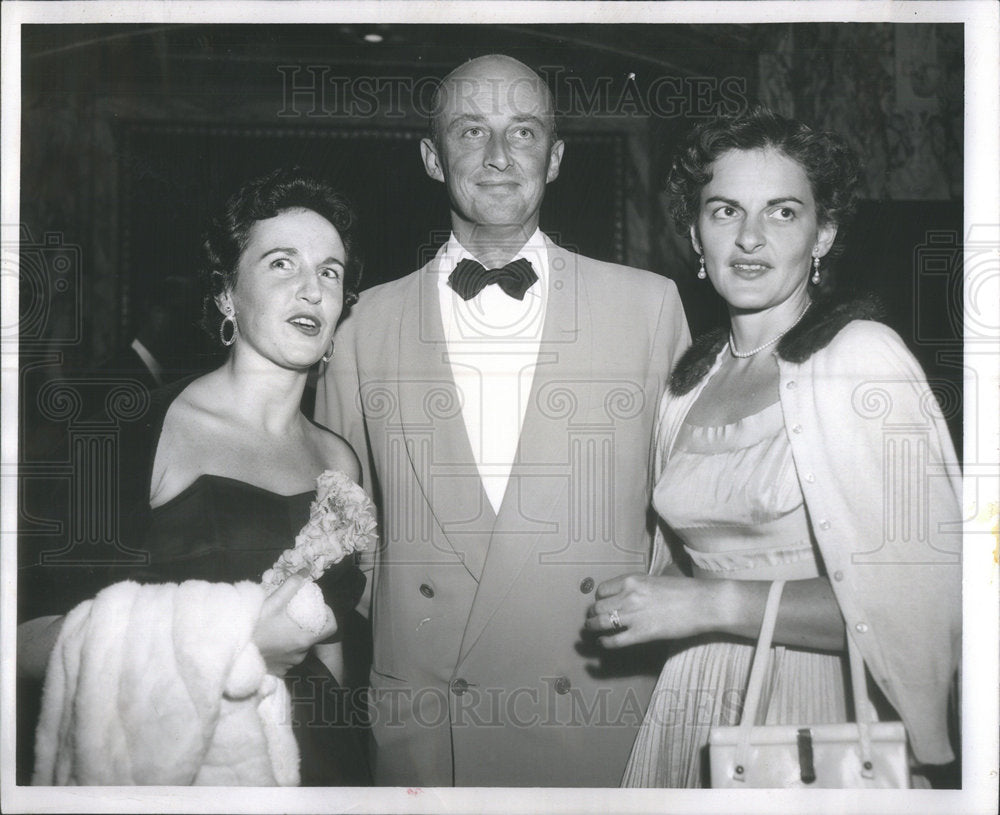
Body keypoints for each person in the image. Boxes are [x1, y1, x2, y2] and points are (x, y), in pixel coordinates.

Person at [315, 54, 691, 787]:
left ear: (553, 159)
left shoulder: (649, 308)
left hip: (595, 719)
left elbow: (681, 531)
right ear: (432, 157)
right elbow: (341, 547)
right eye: (469, 131)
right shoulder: (361, 324)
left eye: (521, 132)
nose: (496, 157)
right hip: (430, 734)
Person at [585, 107, 962, 787]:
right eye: (724, 211)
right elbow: (684, 561)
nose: (750, 238)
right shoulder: (689, 382)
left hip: (817, 711)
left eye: (783, 212)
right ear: (695, 234)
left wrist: (711, 604)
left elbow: (925, 598)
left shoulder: (861, 360)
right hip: (693, 701)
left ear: (825, 234)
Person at [18, 168, 372, 785]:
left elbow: (332, 647)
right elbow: (25, 639)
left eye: (330, 271)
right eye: (282, 264)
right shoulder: (130, 432)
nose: (312, 289)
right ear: (226, 296)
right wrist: (229, 641)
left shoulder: (339, 461)